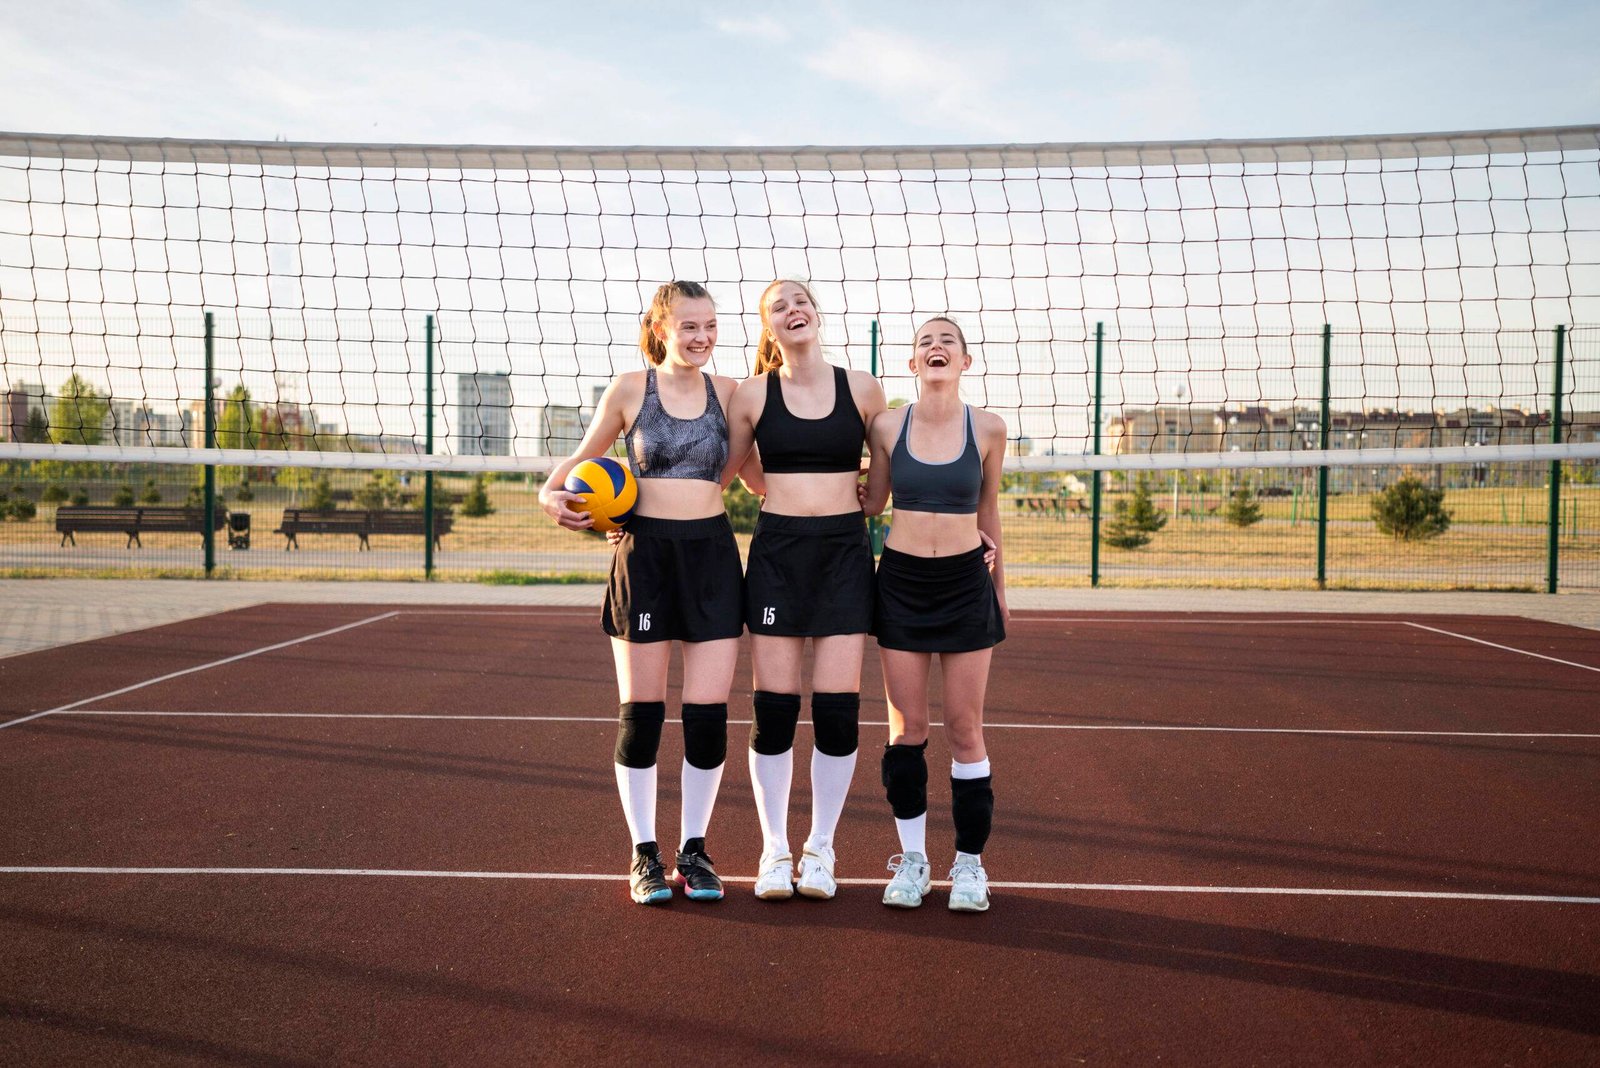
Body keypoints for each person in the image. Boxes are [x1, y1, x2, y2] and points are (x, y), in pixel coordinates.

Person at [539, 280, 746, 906]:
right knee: (643, 717)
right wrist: (553, 500)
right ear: (660, 327)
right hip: (645, 556)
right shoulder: (631, 389)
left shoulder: (731, 392)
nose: (702, 337)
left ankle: (696, 850)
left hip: (711, 553)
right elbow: (564, 475)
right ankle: (645, 855)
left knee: (708, 720)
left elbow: (754, 471)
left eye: (710, 325)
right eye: (689, 326)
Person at [722, 279, 886, 900]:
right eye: (779, 308)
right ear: (769, 328)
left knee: (838, 712)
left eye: (801, 302)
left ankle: (821, 849)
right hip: (779, 553)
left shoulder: (863, 387)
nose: (794, 311)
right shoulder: (752, 394)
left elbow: (887, 471)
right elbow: (738, 470)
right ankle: (774, 850)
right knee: (775, 712)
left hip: (844, 552)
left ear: (817, 313)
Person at [860, 315, 1009, 912]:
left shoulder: (991, 428)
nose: (936, 347)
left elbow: (990, 511)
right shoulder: (888, 425)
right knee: (908, 730)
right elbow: (870, 501)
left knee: (965, 729)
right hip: (900, 583)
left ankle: (970, 865)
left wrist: (999, 591)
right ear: (912, 364)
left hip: (965, 584)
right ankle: (914, 861)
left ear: (965, 361)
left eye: (948, 340)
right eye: (925, 342)